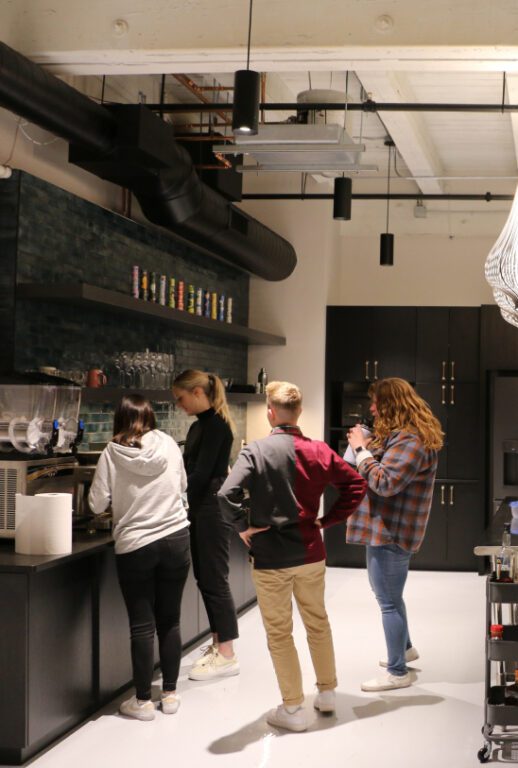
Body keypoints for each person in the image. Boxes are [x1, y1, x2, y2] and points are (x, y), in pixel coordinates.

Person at [217, 381, 367, 732]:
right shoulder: (319, 451)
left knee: (279, 633)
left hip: (271, 557)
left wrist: (242, 526)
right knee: (318, 621)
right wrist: (326, 520)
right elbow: (356, 485)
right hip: (311, 552)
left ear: (271, 411)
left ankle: (293, 709)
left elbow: (226, 494)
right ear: (298, 411)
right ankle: (327, 693)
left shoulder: (255, 451)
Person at [88, 394, 190, 721]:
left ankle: (143, 701)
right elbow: (182, 487)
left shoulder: (111, 452)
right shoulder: (170, 445)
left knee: (142, 625)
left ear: (120, 418)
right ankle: (171, 694)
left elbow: (95, 503)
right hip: (176, 537)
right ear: (150, 416)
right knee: (170, 620)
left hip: (136, 545)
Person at [346, 377, 444, 692]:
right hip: (387, 528)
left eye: (376, 402)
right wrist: (363, 445)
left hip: (391, 532)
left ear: (391, 404)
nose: (371, 408)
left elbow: (386, 482)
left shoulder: (411, 439)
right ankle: (404, 648)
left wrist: (361, 449)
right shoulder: (402, 436)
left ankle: (397, 671)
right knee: (390, 596)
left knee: (387, 601)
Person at [172, 369, 239, 680]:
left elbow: (199, 476)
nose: (179, 405)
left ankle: (227, 653)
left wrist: (178, 499)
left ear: (198, 392)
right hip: (202, 507)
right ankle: (218, 643)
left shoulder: (216, 426)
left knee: (214, 579)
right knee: (205, 578)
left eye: (181, 398)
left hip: (210, 507)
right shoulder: (201, 425)